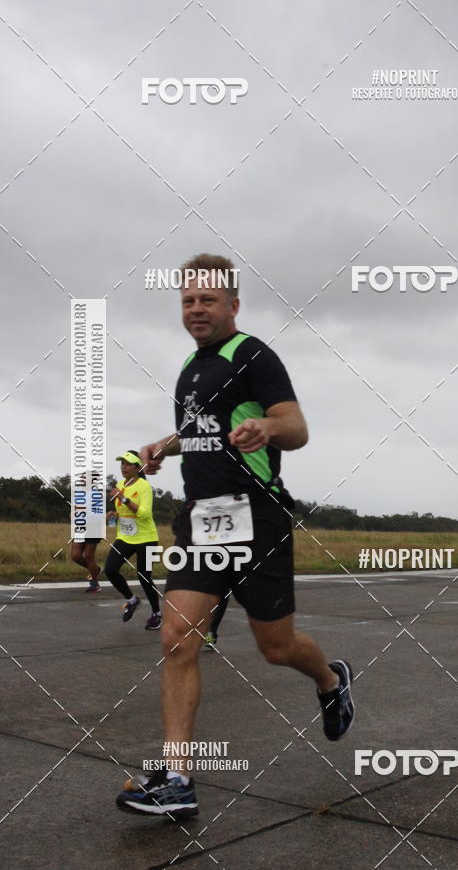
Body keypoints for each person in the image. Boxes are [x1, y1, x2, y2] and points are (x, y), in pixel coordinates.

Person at [116, 254, 354, 817]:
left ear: (233, 305)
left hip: (257, 517)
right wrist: (160, 447)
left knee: (277, 647)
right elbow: (198, 426)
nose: (196, 309)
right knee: (176, 637)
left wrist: (268, 426)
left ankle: (329, 678)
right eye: (187, 301)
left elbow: (296, 426)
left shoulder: (253, 355)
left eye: (207, 300)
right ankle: (178, 780)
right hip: (201, 518)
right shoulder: (190, 368)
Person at [104, 451, 162, 630]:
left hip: (147, 538)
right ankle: (132, 600)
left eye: (128, 464)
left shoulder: (144, 486)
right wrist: (114, 514)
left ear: (138, 468)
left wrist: (123, 498)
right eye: (122, 463)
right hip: (126, 537)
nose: (123, 466)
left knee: (144, 576)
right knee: (110, 570)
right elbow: (123, 511)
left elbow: (144, 513)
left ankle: (157, 614)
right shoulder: (120, 484)